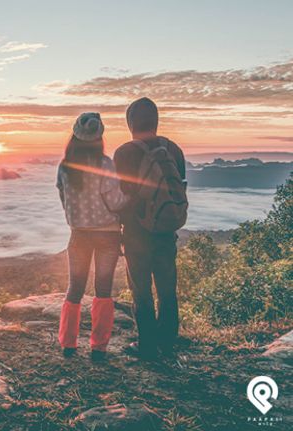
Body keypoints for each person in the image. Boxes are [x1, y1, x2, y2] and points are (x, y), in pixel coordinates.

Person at [113, 97, 187, 360]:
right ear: (156, 120)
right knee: (167, 287)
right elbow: (180, 188)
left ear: (131, 123)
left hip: (136, 232)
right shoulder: (173, 149)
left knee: (141, 288)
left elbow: (121, 195)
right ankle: (167, 340)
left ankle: (147, 345)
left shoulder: (124, 153)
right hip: (166, 230)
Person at [56, 112, 128, 361]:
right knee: (103, 289)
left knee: (74, 288)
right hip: (107, 235)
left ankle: (68, 344)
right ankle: (99, 347)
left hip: (78, 235)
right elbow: (116, 202)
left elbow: (64, 199)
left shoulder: (65, 167)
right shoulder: (105, 165)